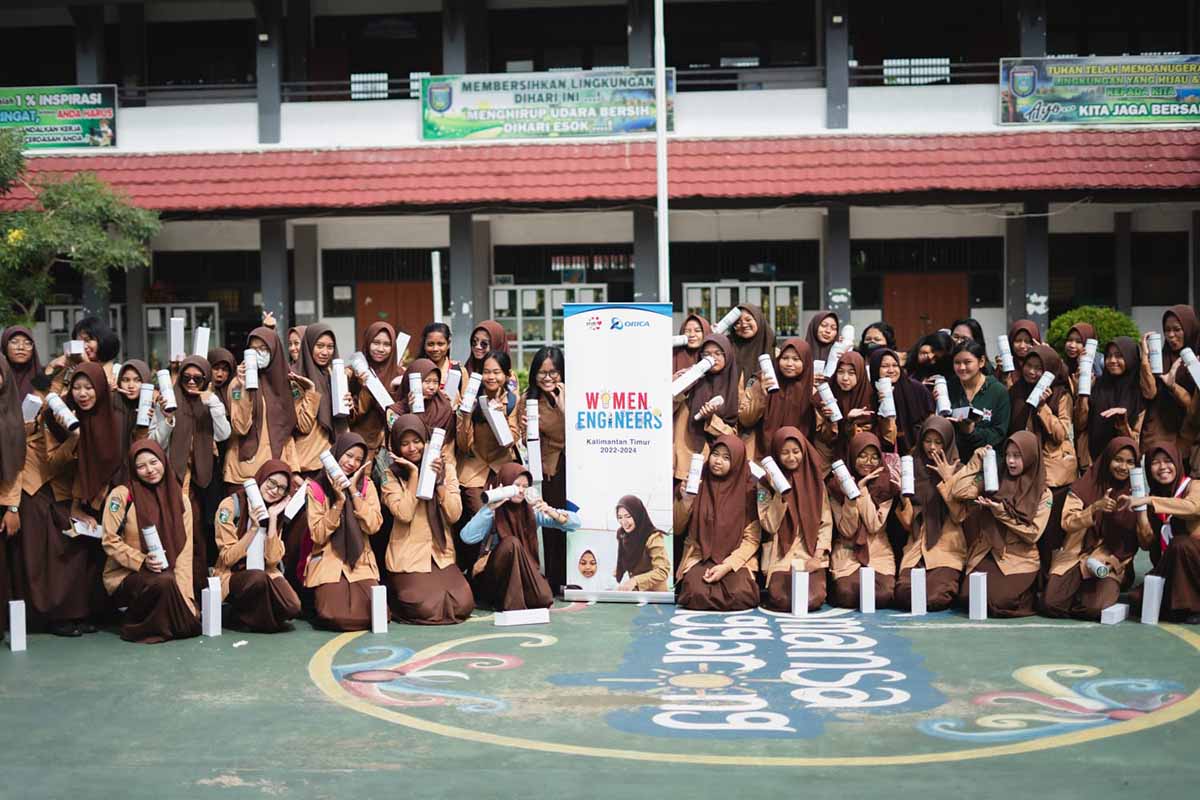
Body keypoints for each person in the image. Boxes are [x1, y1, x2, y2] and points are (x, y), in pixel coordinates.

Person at [101, 440, 201, 643]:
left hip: (169, 575)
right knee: (162, 582)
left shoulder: (181, 500)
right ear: (133, 469)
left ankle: (162, 618)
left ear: (163, 460)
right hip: (129, 575)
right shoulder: (121, 495)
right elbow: (109, 540)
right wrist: (141, 560)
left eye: (153, 462)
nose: (149, 470)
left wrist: (186, 596)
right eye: (141, 466)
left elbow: (184, 551)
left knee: (191, 624)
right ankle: (135, 625)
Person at [380, 414, 473, 625]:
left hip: (439, 552)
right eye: (404, 444)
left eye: (417, 441)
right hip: (408, 554)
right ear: (396, 447)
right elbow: (404, 514)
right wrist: (414, 475)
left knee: (462, 604)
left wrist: (439, 482)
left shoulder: (445, 468)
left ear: (425, 440)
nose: (412, 448)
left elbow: (454, 514)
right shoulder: (390, 474)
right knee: (425, 606)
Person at [1043, 437, 1141, 620]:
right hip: (1076, 555)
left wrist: (1141, 510)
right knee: (1051, 604)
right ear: (1107, 459)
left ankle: (1087, 594)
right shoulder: (1085, 485)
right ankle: (1077, 592)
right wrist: (1094, 508)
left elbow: (1143, 540)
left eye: (1130, 462)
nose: (1123, 467)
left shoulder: (1137, 492)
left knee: (1094, 610)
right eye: (1118, 459)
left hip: (1111, 561)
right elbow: (1067, 522)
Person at [958, 431, 1051, 618]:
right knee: (970, 597)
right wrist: (976, 461)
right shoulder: (994, 478)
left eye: (1017, 456)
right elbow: (960, 492)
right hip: (989, 551)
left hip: (1019, 558)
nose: (1010, 461)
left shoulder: (1043, 493)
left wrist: (1000, 513)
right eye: (1008, 455)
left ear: (1031, 457)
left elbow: (1033, 533)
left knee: (999, 601)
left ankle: (1028, 595)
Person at [460, 463, 578, 611]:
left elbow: (575, 523)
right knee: (511, 543)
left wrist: (550, 511)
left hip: (524, 574)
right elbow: (467, 537)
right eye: (516, 486)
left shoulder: (531, 512)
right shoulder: (493, 511)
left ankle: (518, 598)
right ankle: (513, 607)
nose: (521, 491)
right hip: (496, 578)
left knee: (544, 597)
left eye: (525, 486)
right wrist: (489, 508)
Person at [165, 356, 231, 599]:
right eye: (186, 378)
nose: (191, 382)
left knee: (200, 538)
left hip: (203, 481)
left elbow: (224, 434)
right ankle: (177, 593)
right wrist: (167, 418)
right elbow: (158, 442)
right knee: (178, 536)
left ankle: (197, 593)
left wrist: (211, 400)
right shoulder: (172, 399)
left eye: (198, 378)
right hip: (174, 480)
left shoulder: (210, 402)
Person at [304, 432, 383, 631]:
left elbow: (373, 526)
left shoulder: (366, 486)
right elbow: (318, 535)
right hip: (329, 558)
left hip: (360, 559)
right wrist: (338, 503)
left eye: (358, 459)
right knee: (336, 616)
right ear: (337, 453)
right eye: (348, 456)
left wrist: (354, 493)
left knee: (372, 614)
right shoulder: (316, 487)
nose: (352, 463)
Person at [1007, 344, 1076, 571]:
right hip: (1022, 469)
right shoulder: (1016, 391)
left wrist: (1043, 406)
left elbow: (1060, 434)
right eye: (1029, 365)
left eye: (1039, 368)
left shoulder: (1061, 395)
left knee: (1050, 532)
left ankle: (1050, 577)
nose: (1032, 372)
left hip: (1051, 474)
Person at [212, 460, 302, 632]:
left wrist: (273, 518)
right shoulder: (231, 505)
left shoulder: (276, 510)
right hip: (235, 573)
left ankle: (251, 617)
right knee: (257, 579)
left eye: (281, 488)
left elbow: (273, 560)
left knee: (292, 607)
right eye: (272, 482)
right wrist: (253, 528)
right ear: (262, 478)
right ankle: (235, 614)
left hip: (265, 571)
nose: (275, 490)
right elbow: (227, 558)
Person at [673, 434, 760, 611]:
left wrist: (727, 566)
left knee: (741, 594)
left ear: (737, 461)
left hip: (735, 558)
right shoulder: (696, 483)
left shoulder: (749, 491)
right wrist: (686, 501)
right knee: (694, 593)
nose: (718, 461)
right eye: (715, 454)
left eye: (726, 457)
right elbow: (677, 528)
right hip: (700, 555)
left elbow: (752, 539)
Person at [454, 349, 519, 572]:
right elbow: (463, 445)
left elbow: (510, 441)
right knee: (479, 514)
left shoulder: (512, 401)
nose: (491, 377)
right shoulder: (471, 398)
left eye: (497, 372)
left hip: (502, 467)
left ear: (507, 375)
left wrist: (499, 417)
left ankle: (498, 569)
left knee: (506, 518)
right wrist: (466, 415)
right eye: (487, 372)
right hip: (474, 468)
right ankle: (472, 568)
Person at [895, 416, 968, 611]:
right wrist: (903, 496)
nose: (932, 448)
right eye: (927, 441)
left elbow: (960, 516)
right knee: (904, 595)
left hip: (946, 548)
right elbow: (908, 523)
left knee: (935, 597)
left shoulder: (959, 470)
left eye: (938, 442)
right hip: (917, 546)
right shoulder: (911, 469)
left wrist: (948, 480)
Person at [756, 426, 831, 612]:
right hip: (780, 557)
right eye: (785, 453)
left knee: (813, 599)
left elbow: (825, 523)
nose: (791, 458)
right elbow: (769, 526)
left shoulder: (816, 483)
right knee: (781, 598)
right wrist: (778, 493)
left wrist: (817, 557)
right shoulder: (765, 484)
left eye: (796, 452)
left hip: (809, 555)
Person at [224, 327, 311, 487]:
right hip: (246, 474)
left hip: (277, 472)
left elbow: (290, 431)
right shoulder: (237, 384)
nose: (259, 353)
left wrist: (295, 470)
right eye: (254, 349)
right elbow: (241, 427)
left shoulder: (287, 384)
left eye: (264, 349)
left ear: (274, 350)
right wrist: (243, 389)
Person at [1130, 443, 1200, 622]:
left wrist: (1150, 500)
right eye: (1155, 462)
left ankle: (1193, 607)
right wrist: (1141, 512)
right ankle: (1181, 606)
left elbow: (1193, 507)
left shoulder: (1193, 486)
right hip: (1171, 567)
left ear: (1177, 462)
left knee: (1180, 544)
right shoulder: (1153, 498)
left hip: (1195, 564)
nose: (1162, 467)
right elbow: (1146, 544)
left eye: (1168, 461)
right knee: (1137, 600)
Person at [827, 432, 898, 609]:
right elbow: (847, 530)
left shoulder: (886, 484)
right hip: (847, 551)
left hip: (877, 552)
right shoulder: (836, 486)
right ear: (852, 456)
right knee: (847, 595)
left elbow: (874, 525)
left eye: (874, 457)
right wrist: (851, 497)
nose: (868, 462)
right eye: (863, 456)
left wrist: (862, 491)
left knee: (882, 596)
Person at [520, 346, 568, 590]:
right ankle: (554, 576)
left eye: (554, 372)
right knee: (550, 520)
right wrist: (524, 426)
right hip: (548, 469)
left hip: (576, 466)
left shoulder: (571, 394)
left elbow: (580, 427)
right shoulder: (528, 398)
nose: (548, 378)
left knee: (572, 522)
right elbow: (520, 439)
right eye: (542, 372)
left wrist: (561, 404)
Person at [1076, 336, 1155, 471]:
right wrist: (1083, 393)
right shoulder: (1097, 385)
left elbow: (1135, 441)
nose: (1112, 361)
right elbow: (1080, 424)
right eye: (1109, 356)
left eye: (1119, 356)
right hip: (1093, 464)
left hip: (1124, 467)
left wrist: (1122, 423)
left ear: (1130, 358)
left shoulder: (1137, 392)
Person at [295, 323, 354, 474]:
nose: (325, 352)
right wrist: (310, 391)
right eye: (319, 346)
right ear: (308, 346)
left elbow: (342, 422)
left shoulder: (333, 376)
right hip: (308, 463)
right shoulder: (296, 377)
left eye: (330, 347)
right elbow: (303, 425)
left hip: (334, 461)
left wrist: (349, 405)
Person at [740, 337, 816, 451]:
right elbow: (745, 420)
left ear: (806, 362)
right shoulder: (762, 381)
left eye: (796, 359)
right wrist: (761, 395)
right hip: (762, 453)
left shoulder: (812, 390)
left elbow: (824, 435)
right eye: (785, 358)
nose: (789, 364)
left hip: (798, 454)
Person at [1143, 305, 1200, 454]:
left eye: (1176, 329)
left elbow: (1192, 407)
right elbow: (1149, 394)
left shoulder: (1195, 361)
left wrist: (1174, 386)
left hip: (1190, 440)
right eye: (1167, 330)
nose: (1171, 335)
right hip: (1161, 439)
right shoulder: (1159, 360)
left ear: (1189, 329)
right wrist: (1144, 358)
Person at [350, 321, 402, 464]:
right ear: (367, 343)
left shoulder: (400, 374)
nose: (380, 349)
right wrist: (363, 388)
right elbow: (349, 416)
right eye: (376, 342)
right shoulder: (352, 373)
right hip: (360, 449)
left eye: (386, 344)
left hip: (391, 448)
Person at [948, 340, 1011, 457]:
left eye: (967, 362)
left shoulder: (998, 391)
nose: (962, 367)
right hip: (954, 458)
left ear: (981, 362)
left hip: (986, 459)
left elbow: (999, 432)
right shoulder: (948, 388)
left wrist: (971, 431)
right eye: (957, 362)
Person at [869, 347, 935, 455]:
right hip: (887, 454)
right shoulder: (871, 394)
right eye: (884, 366)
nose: (891, 370)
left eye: (895, 365)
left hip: (919, 451)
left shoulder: (917, 389)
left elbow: (931, 421)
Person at [613, 495, 671, 592]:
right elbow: (623, 562)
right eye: (620, 517)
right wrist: (612, 580)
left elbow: (662, 571)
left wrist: (635, 581)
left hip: (656, 596)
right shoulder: (622, 535)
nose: (624, 522)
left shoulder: (653, 537)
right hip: (637, 594)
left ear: (637, 515)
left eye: (628, 516)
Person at [729, 304, 776, 387]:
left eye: (748, 319)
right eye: (737, 322)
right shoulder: (728, 349)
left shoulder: (776, 353)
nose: (743, 325)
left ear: (758, 320)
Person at [417, 322, 466, 396]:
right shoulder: (416, 370)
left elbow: (467, 404)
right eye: (430, 344)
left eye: (440, 344)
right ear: (424, 345)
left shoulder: (460, 371)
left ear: (448, 344)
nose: (435, 349)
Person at [997, 319, 1041, 385]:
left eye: (1027, 341)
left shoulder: (1044, 364)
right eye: (1018, 340)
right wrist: (1003, 374)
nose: (1022, 346)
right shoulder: (1005, 364)